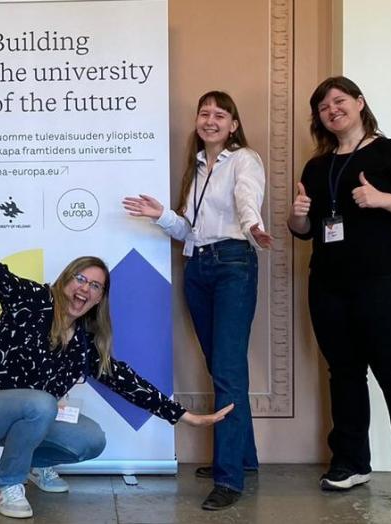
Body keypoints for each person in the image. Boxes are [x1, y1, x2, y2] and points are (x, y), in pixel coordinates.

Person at [0, 180, 233, 519]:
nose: (86, 288)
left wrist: (184, 415)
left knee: (90, 439)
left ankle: (31, 464)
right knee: (42, 402)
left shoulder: (84, 345)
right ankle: (6, 487)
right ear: (65, 281)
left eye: (96, 286)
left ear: (99, 299)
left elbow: (127, 382)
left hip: (26, 415)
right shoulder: (31, 300)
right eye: (81, 279)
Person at [288, 76, 391, 511]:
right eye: (323, 106)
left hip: (384, 284)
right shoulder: (317, 167)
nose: (332, 110)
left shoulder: (390, 152)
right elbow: (305, 232)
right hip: (328, 286)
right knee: (344, 374)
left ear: (359, 103)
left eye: (339, 101)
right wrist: (296, 217)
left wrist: (382, 198)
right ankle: (351, 463)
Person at [121, 91, 269, 510]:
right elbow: (189, 231)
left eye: (220, 114)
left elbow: (247, 196)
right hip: (198, 268)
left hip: (233, 263)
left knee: (226, 370)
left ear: (233, 124)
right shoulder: (197, 167)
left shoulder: (244, 160)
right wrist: (160, 214)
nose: (211, 120)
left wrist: (253, 225)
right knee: (222, 365)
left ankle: (229, 479)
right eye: (204, 113)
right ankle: (244, 457)